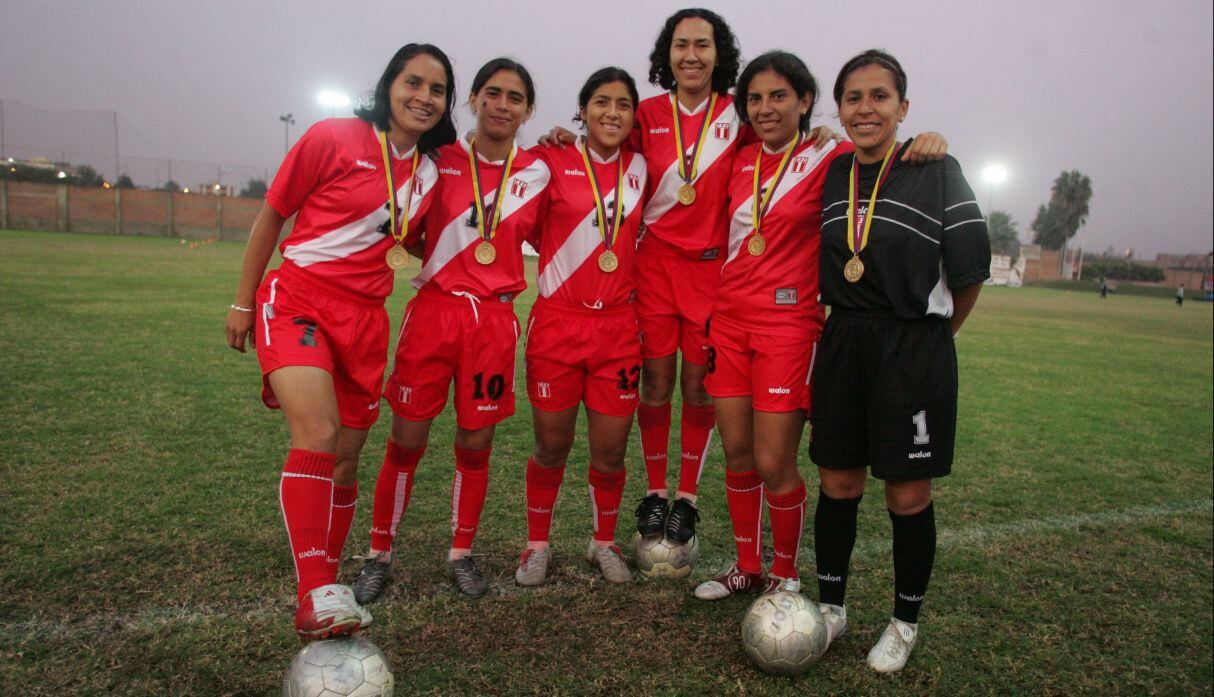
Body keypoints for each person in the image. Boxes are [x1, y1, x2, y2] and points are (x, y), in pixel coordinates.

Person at [693, 51, 947, 601]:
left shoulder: (830, 156)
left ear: (805, 101)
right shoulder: (738, 159)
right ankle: (747, 566)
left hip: (788, 326)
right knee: (738, 453)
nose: (766, 108)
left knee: (773, 461)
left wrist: (928, 140)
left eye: (779, 96)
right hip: (729, 322)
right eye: (755, 98)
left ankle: (785, 574)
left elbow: (883, 152)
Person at [224, 43, 454, 641]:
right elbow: (273, 215)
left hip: (366, 321)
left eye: (437, 89)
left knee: (347, 459)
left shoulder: (431, 172)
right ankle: (315, 593)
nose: (423, 97)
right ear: (389, 86)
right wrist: (244, 301)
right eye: (413, 82)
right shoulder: (333, 137)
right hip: (300, 299)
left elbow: (414, 237)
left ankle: (326, 583)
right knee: (319, 434)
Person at [809, 49, 991, 673]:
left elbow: (969, 274)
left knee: (907, 496)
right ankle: (831, 608)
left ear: (903, 107)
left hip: (913, 346)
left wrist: (934, 338)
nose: (866, 108)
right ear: (839, 109)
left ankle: (903, 621)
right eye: (853, 97)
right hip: (843, 340)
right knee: (838, 484)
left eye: (879, 96)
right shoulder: (834, 171)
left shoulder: (936, 169)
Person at [353, 58, 550, 600]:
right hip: (434, 312)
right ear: (474, 100)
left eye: (515, 97)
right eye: (492, 93)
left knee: (476, 443)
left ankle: (461, 552)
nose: (502, 105)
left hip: (493, 320)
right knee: (406, 440)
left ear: (528, 110)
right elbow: (408, 227)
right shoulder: (436, 160)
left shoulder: (539, 172)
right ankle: (378, 553)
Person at [514, 67, 648, 586]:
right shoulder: (551, 159)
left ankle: (603, 542)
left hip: (618, 328)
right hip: (558, 324)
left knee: (610, 451)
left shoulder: (644, 165)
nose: (612, 112)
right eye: (601, 102)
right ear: (582, 111)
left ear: (633, 116)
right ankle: (536, 545)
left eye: (623, 104)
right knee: (551, 446)